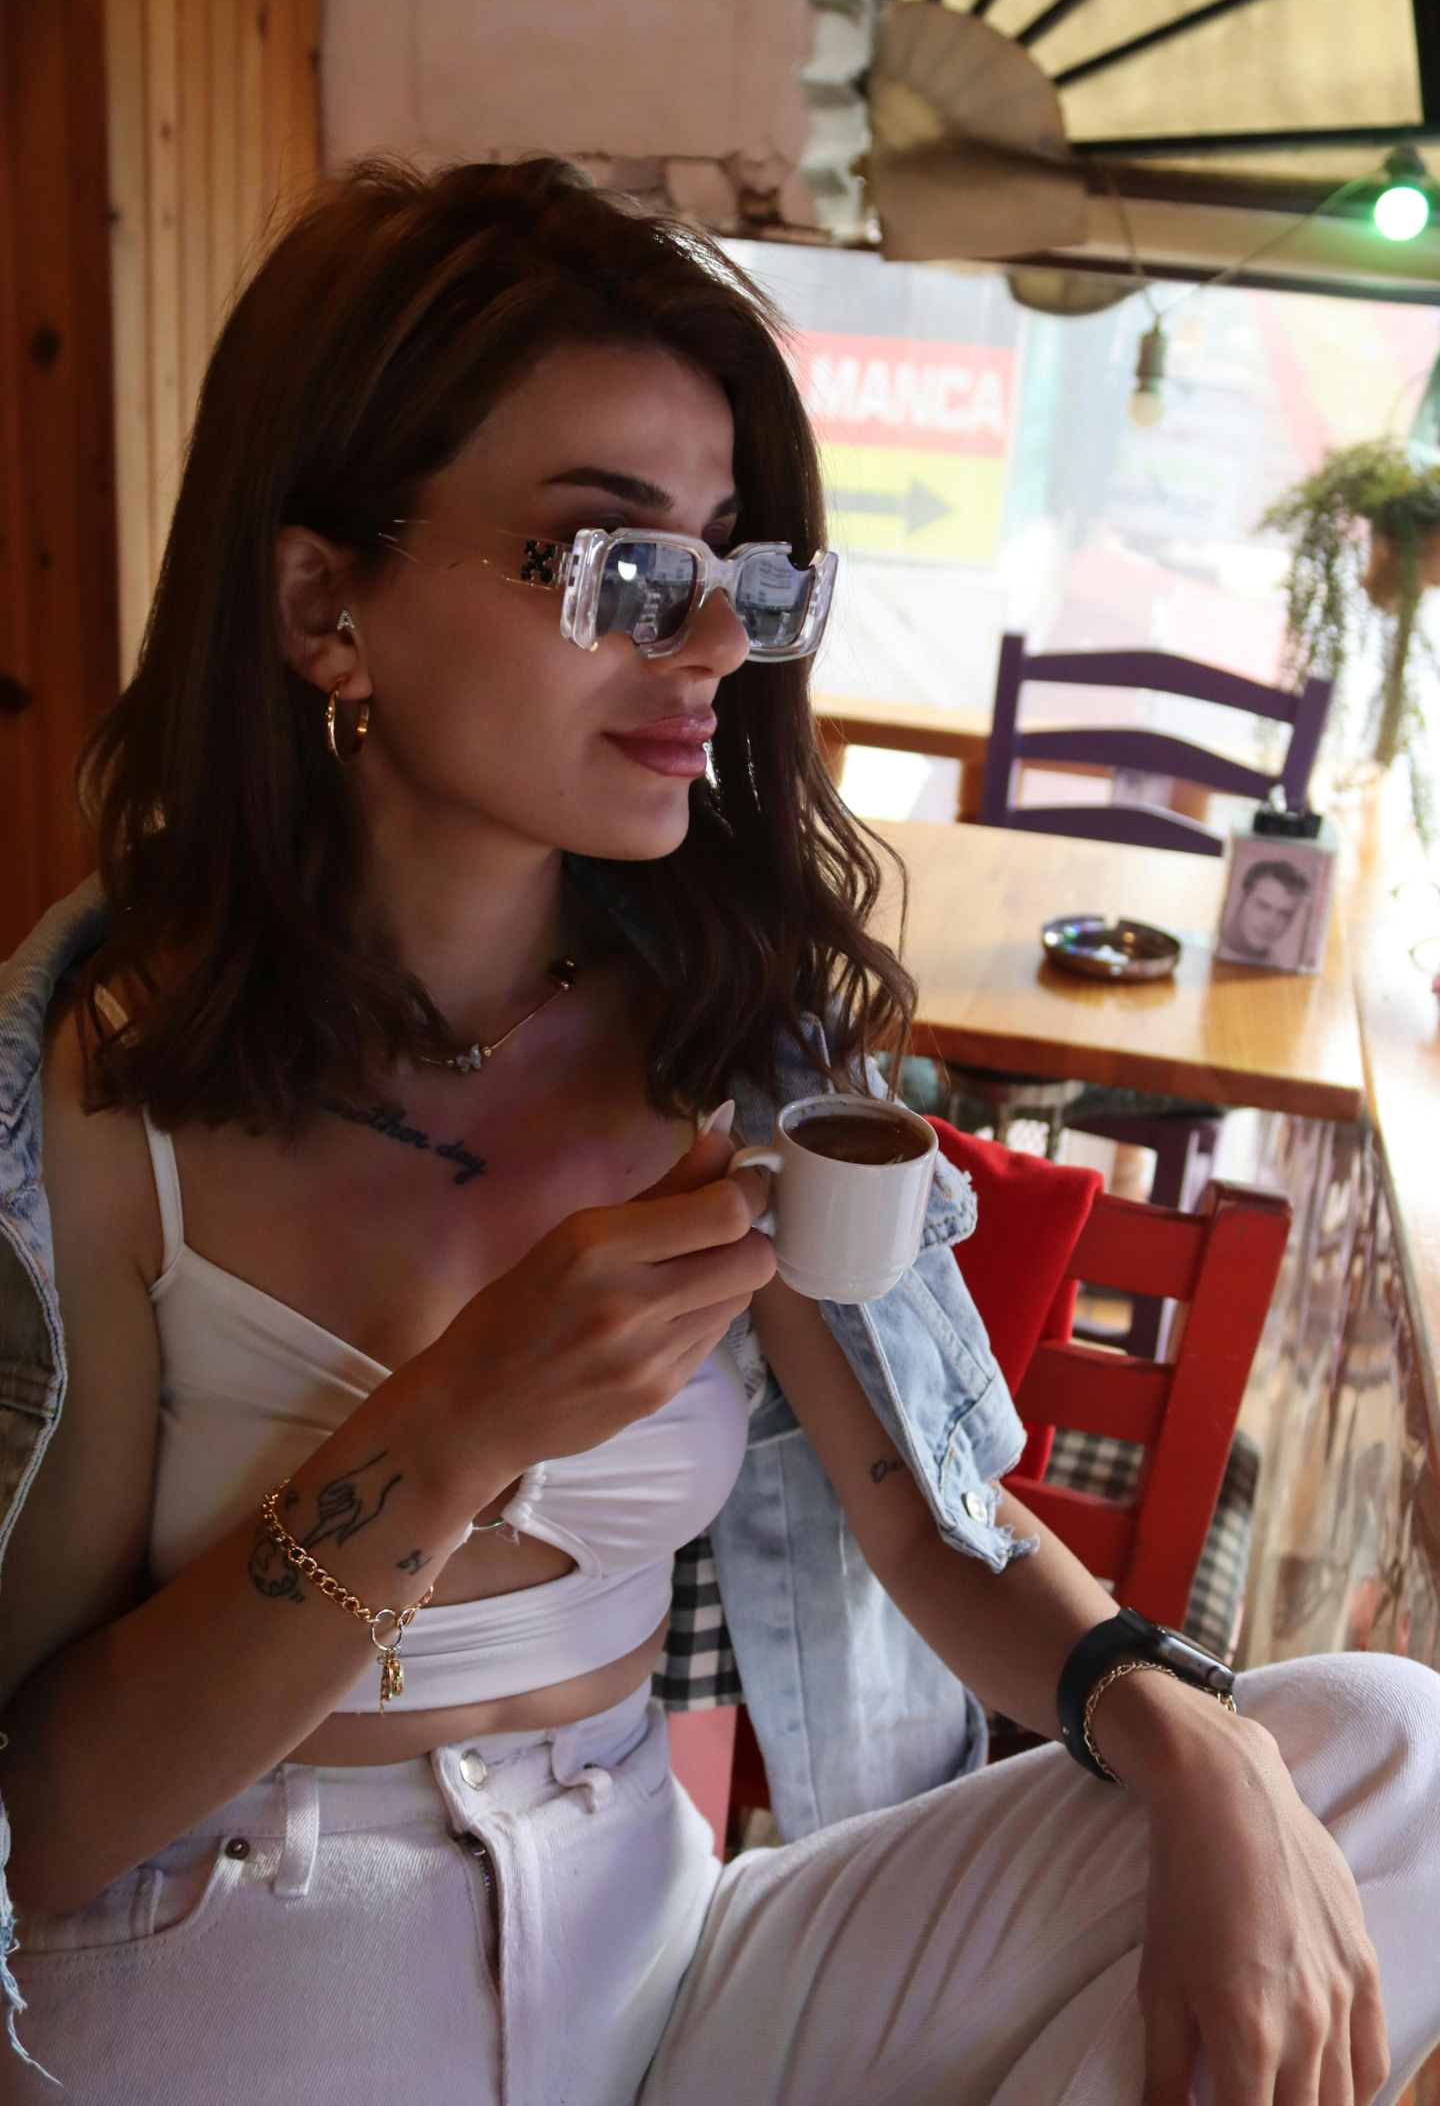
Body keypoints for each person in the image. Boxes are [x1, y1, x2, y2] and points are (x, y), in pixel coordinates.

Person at [0, 158, 1437, 2106]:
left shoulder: (732, 1046)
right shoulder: (103, 1085)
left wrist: (1190, 1736)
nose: (706, 655)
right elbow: (47, 1822)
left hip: (656, 1960)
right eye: (615, 567)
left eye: (740, 574)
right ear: (324, 603)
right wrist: (455, 1425)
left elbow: (928, 1522)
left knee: (1383, 1761)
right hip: (243, 1968)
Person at [1223, 856, 1312, 964]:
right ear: (1242, 899)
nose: (1270, 922)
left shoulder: (1276, 968)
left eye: (1284, 915)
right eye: (1263, 906)